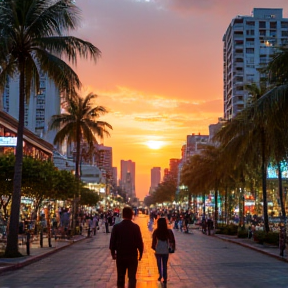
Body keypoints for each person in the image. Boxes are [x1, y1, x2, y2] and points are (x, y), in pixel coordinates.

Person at [109, 207, 144, 288]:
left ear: (123, 215)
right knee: (132, 277)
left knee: (120, 276)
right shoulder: (135, 227)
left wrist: (113, 253)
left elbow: (112, 242)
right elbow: (139, 242)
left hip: (121, 255)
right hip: (132, 255)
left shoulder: (117, 227)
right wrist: (141, 253)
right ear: (132, 215)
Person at [152, 217, 176, 285]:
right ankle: (165, 277)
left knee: (159, 264)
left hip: (158, 250)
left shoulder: (156, 231)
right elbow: (172, 240)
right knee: (165, 264)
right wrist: (172, 248)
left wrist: (154, 247)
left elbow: (153, 241)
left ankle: (160, 275)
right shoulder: (168, 231)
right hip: (165, 250)